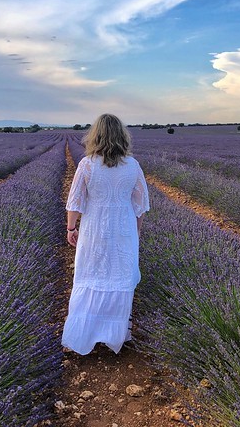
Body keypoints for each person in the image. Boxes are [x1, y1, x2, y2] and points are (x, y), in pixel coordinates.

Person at [62, 113, 150, 355]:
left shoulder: (87, 165)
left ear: (96, 136)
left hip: (94, 230)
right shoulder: (132, 166)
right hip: (123, 231)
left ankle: (86, 335)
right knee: (120, 279)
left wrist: (71, 228)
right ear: (122, 136)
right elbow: (140, 205)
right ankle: (115, 336)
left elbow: (75, 202)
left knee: (90, 275)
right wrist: (136, 233)